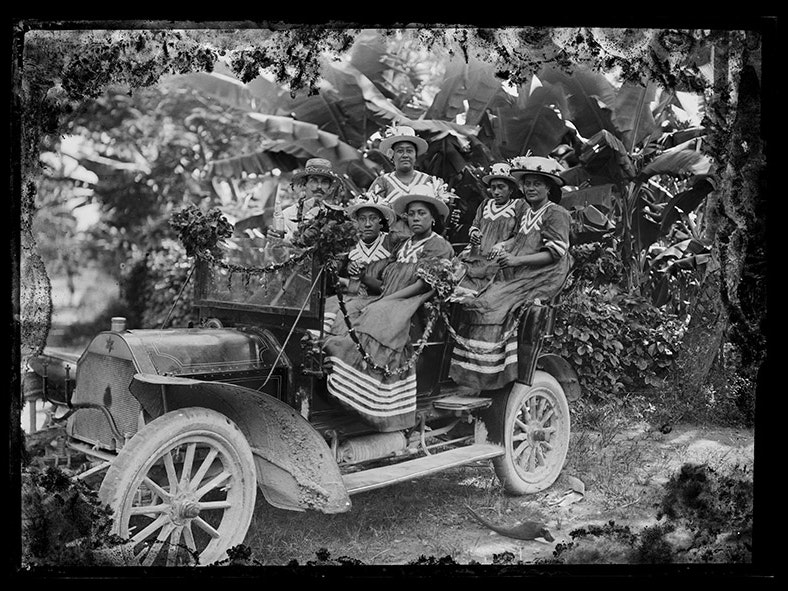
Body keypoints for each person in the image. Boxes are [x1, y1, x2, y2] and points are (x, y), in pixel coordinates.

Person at [322, 184, 455, 432]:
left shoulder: (438, 245)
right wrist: (363, 277)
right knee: (344, 307)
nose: (415, 218)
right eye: (411, 214)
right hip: (388, 297)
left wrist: (387, 301)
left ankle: (369, 388)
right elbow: (382, 283)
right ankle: (333, 364)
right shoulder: (403, 246)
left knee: (376, 313)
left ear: (433, 218)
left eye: (422, 213)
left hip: (413, 303)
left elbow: (421, 285)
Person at [449, 156, 573, 391]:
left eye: (538, 184)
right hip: (517, 268)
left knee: (488, 305)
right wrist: (504, 248)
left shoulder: (555, 213)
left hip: (542, 273)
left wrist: (516, 260)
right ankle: (473, 373)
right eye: (528, 183)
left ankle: (492, 376)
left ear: (548, 187)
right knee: (470, 295)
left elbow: (555, 253)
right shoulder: (526, 211)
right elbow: (519, 238)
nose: (531, 188)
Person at [322, 195, 400, 334]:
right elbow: (329, 273)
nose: (368, 224)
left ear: (381, 222)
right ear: (356, 221)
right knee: (328, 309)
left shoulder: (392, 243)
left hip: (379, 302)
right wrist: (345, 281)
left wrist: (364, 278)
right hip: (348, 297)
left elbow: (393, 285)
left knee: (347, 316)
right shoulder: (348, 243)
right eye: (362, 219)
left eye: (373, 218)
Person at [367, 125, 457, 243]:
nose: (405, 155)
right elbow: (371, 216)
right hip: (390, 243)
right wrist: (394, 214)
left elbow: (438, 218)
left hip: (424, 243)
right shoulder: (382, 182)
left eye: (409, 151)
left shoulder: (430, 181)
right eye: (400, 151)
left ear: (415, 155)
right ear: (392, 155)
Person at [457, 162, 526, 289]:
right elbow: (475, 225)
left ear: (511, 189)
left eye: (501, 187)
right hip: (476, 253)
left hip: (500, 256)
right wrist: (474, 233)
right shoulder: (485, 204)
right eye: (493, 188)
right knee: (456, 277)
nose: (496, 192)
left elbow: (522, 235)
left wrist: (503, 245)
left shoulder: (518, 205)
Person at [269, 157, 346, 241]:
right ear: (304, 184)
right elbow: (278, 245)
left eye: (324, 182)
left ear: (329, 187)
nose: (319, 186)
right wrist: (274, 239)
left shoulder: (336, 216)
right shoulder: (287, 215)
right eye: (314, 181)